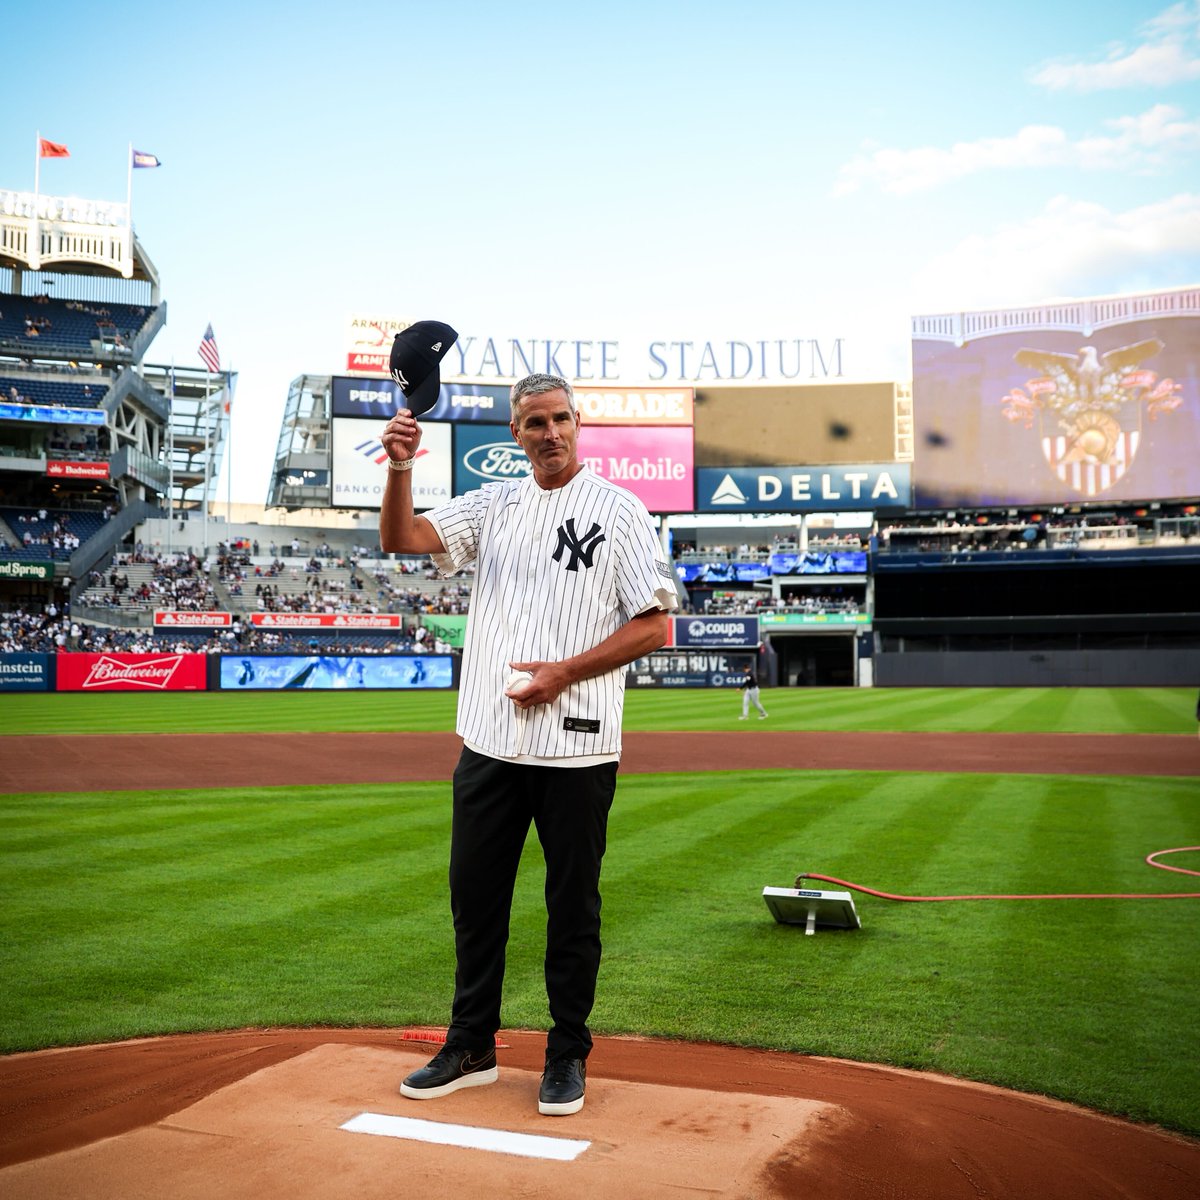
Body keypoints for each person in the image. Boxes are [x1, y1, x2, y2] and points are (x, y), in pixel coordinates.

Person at [380, 372, 676, 1117]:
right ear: (515, 433)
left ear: (578, 423)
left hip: (577, 749)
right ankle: (471, 1044)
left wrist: (563, 673)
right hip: (489, 742)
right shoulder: (495, 504)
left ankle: (567, 1053)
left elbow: (654, 624)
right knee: (475, 901)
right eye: (535, 422)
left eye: (561, 419)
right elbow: (401, 538)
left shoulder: (621, 510)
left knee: (572, 908)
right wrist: (401, 467)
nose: (550, 433)